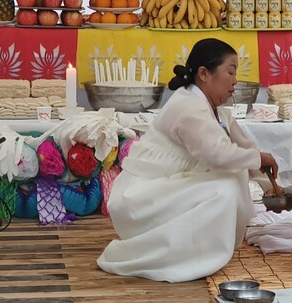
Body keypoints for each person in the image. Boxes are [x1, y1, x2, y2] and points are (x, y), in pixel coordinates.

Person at [97, 38, 280, 283]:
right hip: (140, 199)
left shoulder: (215, 109)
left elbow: (241, 148)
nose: (235, 80)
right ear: (204, 74)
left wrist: (272, 186)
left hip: (168, 189)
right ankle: (189, 254)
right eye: (230, 72)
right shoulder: (187, 107)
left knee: (232, 173)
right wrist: (257, 159)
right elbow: (219, 155)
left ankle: (206, 246)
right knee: (223, 189)